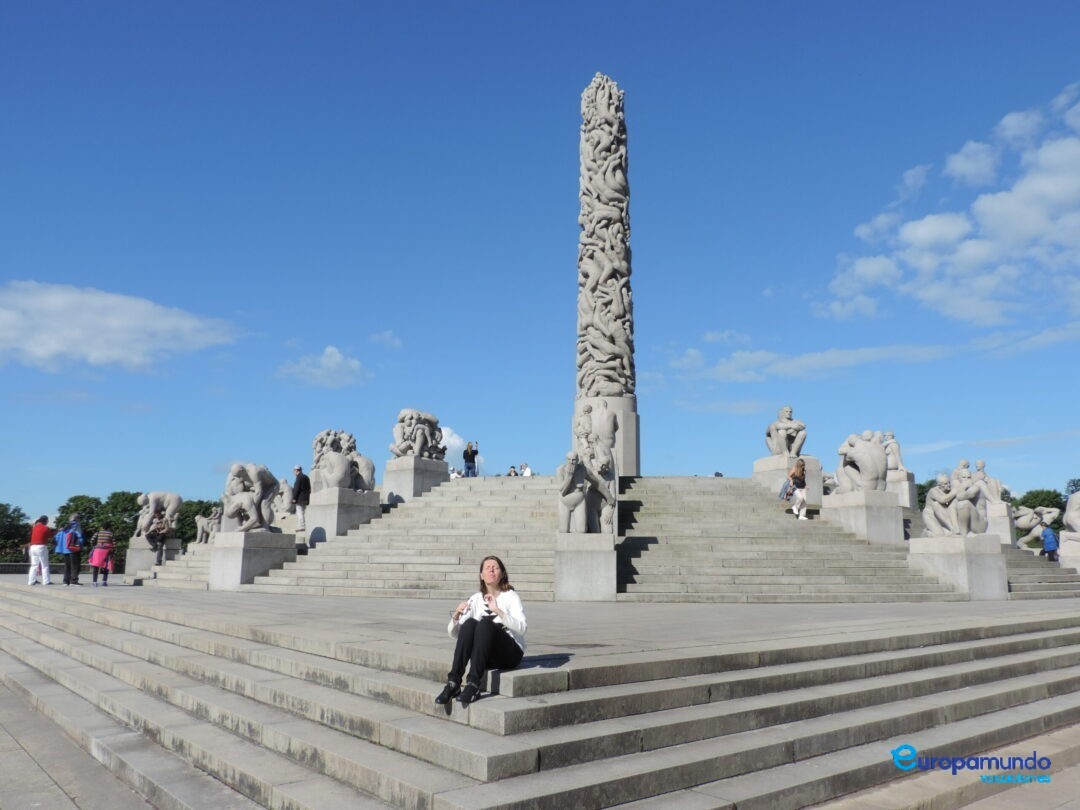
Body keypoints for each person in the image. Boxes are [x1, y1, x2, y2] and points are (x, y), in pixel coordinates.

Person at [435, 555, 527, 708]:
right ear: (481, 575)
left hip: (510, 654)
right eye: (487, 568)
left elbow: (522, 628)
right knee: (470, 623)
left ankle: (473, 684)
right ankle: (453, 682)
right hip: (487, 657)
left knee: (485, 623)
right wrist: (456, 616)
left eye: (495, 567)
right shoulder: (476, 599)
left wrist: (498, 611)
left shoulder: (511, 596)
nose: (491, 570)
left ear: (502, 574)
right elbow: (457, 634)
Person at [25, 515, 55, 586]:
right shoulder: (45, 528)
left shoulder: (34, 527)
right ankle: (46, 581)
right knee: (44, 565)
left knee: (34, 565)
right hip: (41, 547)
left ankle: (31, 581)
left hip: (32, 547)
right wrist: (56, 532)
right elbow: (50, 535)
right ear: (45, 521)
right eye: (47, 521)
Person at [58, 513, 85, 586]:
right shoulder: (76, 525)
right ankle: (74, 581)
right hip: (73, 548)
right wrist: (80, 545)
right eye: (79, 518)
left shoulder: (65, 527)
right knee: (75, 565)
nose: (79, 520)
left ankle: (66, 581)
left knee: (67, 566)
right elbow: (79, 536)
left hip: (65, 549)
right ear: (76, 519)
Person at [292, 465, 311, 531]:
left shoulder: (299, 477)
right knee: (302, 512)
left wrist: (294, 498)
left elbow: (296, 488)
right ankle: (301, 525)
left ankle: (301, 526)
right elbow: (309, 488)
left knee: (299, 512)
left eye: (294, 471)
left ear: (296, 470)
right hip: (306, 498)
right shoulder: (306, 477)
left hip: (300, 498)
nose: (293, 472)